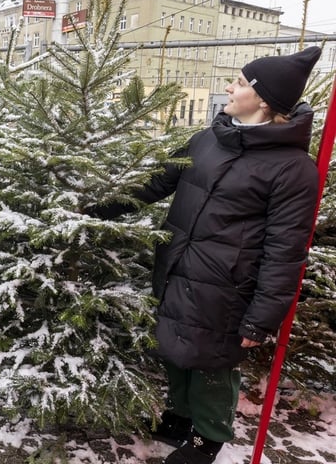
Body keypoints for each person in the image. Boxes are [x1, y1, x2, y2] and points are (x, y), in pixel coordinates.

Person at [90, 46, 322, 464]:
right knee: (175, 347)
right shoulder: (207, 139)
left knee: (212, 361)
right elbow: (153, 184)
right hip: (178, 265)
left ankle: (207, 439)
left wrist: (263, 316)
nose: (229, 87)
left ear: (265, 100)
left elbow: (285, 252)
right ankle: (179, 417)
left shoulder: (292, 170)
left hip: (228, 287)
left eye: (240, 82)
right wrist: (94, 209)